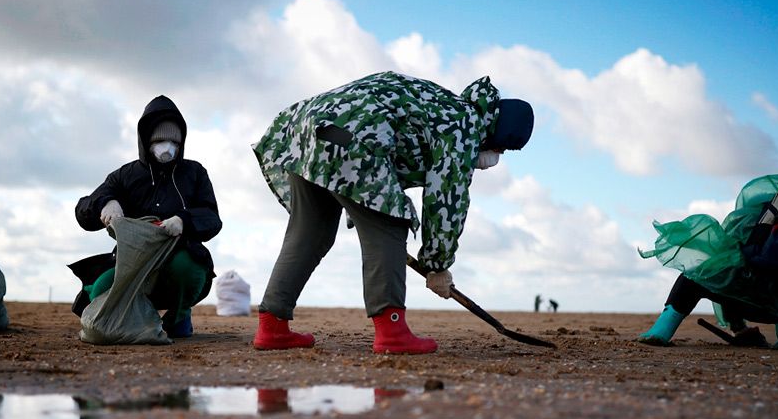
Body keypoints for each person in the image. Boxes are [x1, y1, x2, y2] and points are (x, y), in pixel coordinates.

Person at [250, 71, 534, 354]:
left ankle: (272, 326)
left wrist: (360, 204)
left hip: (306, 128)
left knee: (311, 232)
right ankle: (392, 331)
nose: (497, 155)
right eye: (502, 149)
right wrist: (437, 264)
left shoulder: (442, 104)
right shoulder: (464, 126)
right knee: (390, 221)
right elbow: (446, 199)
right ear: (497, 134)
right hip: (351, 134)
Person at [637, 168, 778, 349]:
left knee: (702, 275)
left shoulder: (746, 218)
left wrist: (736, 326)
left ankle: (663, 329)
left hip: (744, 298)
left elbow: (720, 266)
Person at [73, 95, 222, 338]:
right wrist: (105, 202)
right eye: (160, 140)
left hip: (177, 260)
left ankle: (179, 316)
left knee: (189, 268)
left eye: (174, 140)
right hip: (132, 264)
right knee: (101, 288)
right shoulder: (124, 176)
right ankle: (136, 314)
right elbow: (82, 211)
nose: (168, 146)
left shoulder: (194, 173)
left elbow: (212, 217)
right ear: (146, 139)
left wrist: (184, 220)